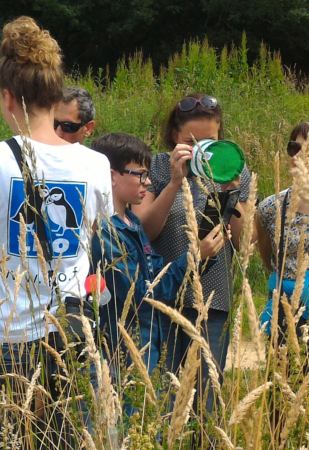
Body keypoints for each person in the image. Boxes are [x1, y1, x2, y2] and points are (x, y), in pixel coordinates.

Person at [0, 16, 113, 448]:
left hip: (1, 342)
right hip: (72, 334)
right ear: (56, 97)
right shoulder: (95, 165)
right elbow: (91, 249)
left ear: (6, 96)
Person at [131, 93, 251, 415]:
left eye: (210, 142)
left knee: (206, 398)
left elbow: (244, 244)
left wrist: (232, 190)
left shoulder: (236, 170)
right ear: (174, 137)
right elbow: (145, 231)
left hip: (212, 298)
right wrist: (173, 182)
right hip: (163, 293)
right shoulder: (158, 165)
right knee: (163, 394)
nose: (202, 151)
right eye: (192, 142)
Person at [90, 133, 225, 380]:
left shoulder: (131, 221)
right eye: (140, 175)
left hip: (148, 345)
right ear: (111, 175)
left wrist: (203, 255)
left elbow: (157, 274)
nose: (148, 182)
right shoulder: (105, 231)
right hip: (124, 354)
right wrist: (193, 258)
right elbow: (142, 295)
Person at [257, 122, 309, 338]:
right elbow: (268, 257)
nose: (298, 155)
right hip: (285, 313)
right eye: (294, 148)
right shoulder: (271, 207)